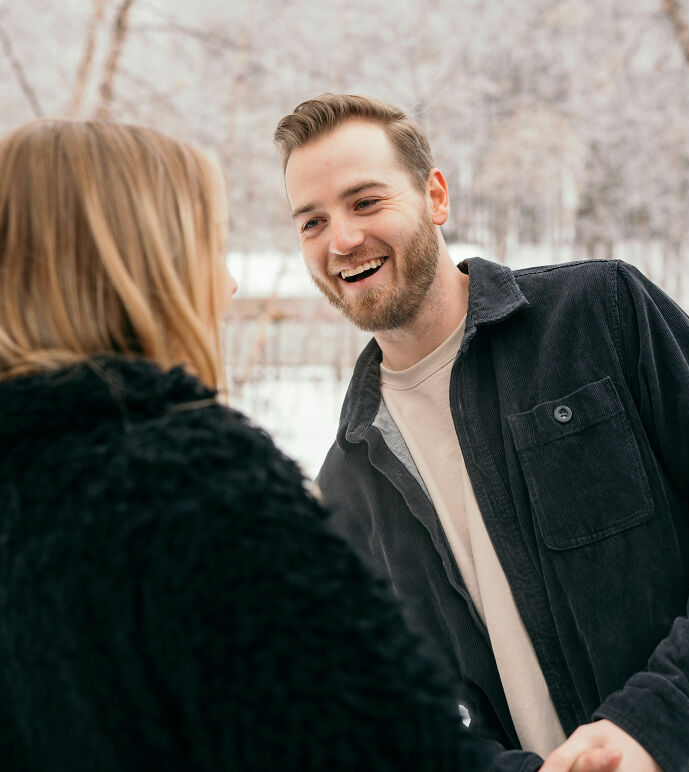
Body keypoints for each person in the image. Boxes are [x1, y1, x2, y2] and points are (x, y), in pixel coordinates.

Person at [0, 118, 528, 771]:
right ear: (134, 270)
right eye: (203, 248)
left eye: (367, 201)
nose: (226, 286)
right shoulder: (192, 489)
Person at [274, 93, 689, 772]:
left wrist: (658, 721)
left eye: (365, 202)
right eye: (311, 222)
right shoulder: (345, 491)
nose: (341, 240)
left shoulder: (600, 316)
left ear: (434, 196)